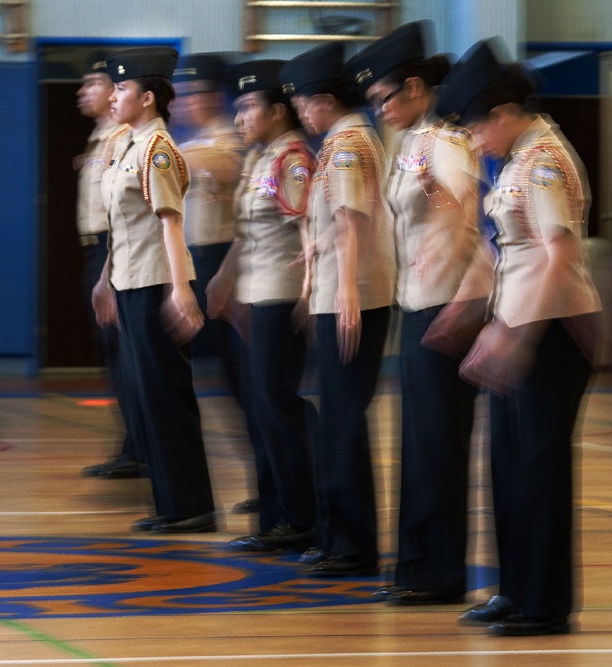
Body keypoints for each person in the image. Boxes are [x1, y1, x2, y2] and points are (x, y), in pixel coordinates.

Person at [437, 39, 601, 635]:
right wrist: (472, 312)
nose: (476, 144)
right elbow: (503, 249)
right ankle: (514, 590)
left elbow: (559, 256)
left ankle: (546, 604)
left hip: (551, 333)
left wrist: (516, 335)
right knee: (506, 463)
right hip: (520, 325)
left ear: (502, 115)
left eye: (478, 131)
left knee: (540, 469)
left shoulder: (546, 161)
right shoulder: (516, 161)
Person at [346, 22, 494, 605]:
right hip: (417, 299)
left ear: (414, 86)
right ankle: (415, 566)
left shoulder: (447, 140)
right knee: (417, 440)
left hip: (447, 304)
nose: (380, 110)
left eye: (385, 97)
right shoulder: (408, 143)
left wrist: (461, 283)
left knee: (437, 441)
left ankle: (436, 573)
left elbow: (469, 205)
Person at [280, 42, 396, 576]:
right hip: (336, 294)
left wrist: (345, 290)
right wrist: (318, 251)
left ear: (325, 99)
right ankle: (334, 535)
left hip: (354, 299)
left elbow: (354, 220)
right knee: (336, 418)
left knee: (344, 421)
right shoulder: (339, 144)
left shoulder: (349, 144)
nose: (300, 112)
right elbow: (340, 223)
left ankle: (353, 544)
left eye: (303, 103)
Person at [91, 46, 216, 533]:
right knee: (147, 398)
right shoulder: (127, 144)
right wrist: (105, 280)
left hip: (155, 283)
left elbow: (170, 222)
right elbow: (118, 225)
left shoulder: (157, 149)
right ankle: (171, 503)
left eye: (120, 89)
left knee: (166, 395)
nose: (112, 97)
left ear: (147, 97)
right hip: (128, 280)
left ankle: (192, 506)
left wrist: (181, 290)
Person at [214, 59, 318, 552]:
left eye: (248, 107)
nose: (239, 118)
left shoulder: (293, 159)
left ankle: (299, 519)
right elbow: (246, 233)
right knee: (262, 409)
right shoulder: (260, 160)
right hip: (257, 298)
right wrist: (226, 279)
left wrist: (310, 294)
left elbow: (309, 231)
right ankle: (275, 516)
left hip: (281, 297)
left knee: (276, 409)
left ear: (278, 111)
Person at [171, 53, 260, 514]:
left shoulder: (232, 139)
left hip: (231, 266)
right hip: (201, 264)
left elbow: (222, 165)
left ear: (210, 97)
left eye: (189, 94)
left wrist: (165, 153)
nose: (182, 104)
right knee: (228, 381)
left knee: (248, 380)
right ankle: (265, 476)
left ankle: (273, 478)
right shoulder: (198, 141)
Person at [74, 54, 144, 481]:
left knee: (124, 352)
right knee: (113, 355)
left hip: (111, 248)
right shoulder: (100, 137)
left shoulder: (121, 137)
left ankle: (141, 446)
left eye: (93, 84)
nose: (84, 93)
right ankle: (132, 443)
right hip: (95, 248)